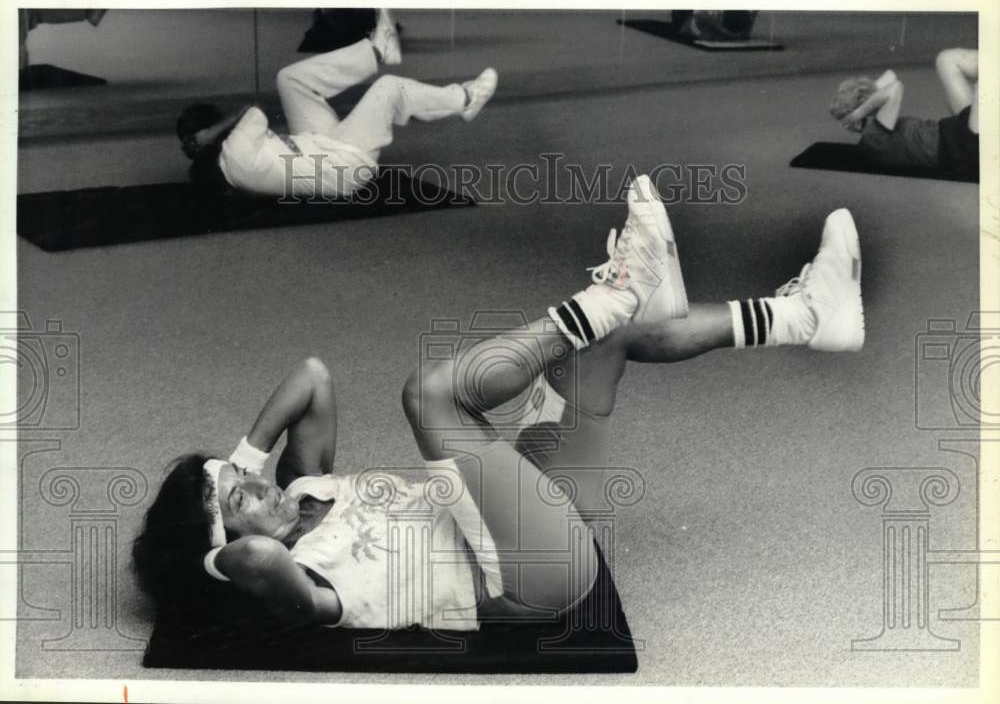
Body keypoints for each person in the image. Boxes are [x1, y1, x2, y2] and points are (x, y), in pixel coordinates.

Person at [132, 174, 865, 630]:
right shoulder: (301, 588)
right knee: (426, 395)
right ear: (221, 545)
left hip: (537, 509)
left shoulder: (300, 482)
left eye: (241, 474)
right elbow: (256, 556)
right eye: (238, 499)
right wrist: (213, 555)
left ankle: (805, 319)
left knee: (609, 341)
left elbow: (312, 376)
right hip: (524, 577)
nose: (257, 485)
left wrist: (237, 464)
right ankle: (612, 294)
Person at [175, 14, 498, 199]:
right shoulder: (236, 152)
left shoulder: (230, 163)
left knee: (289, 79)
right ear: (210, 135)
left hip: (317, 146)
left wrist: (203, 142)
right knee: (388, 89)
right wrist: (209, 134)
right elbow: (253, 109)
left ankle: (377, 51)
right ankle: (465, 100)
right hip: (344, 164)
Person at [830, 48, 979, 178]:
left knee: (946, 59)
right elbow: (895, 87)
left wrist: (863, 97)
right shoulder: (874, 137)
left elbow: (890, 75)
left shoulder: (876, 121)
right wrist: (858, 113)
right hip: (964, 148)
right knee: (987, 79)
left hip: (958, 131)